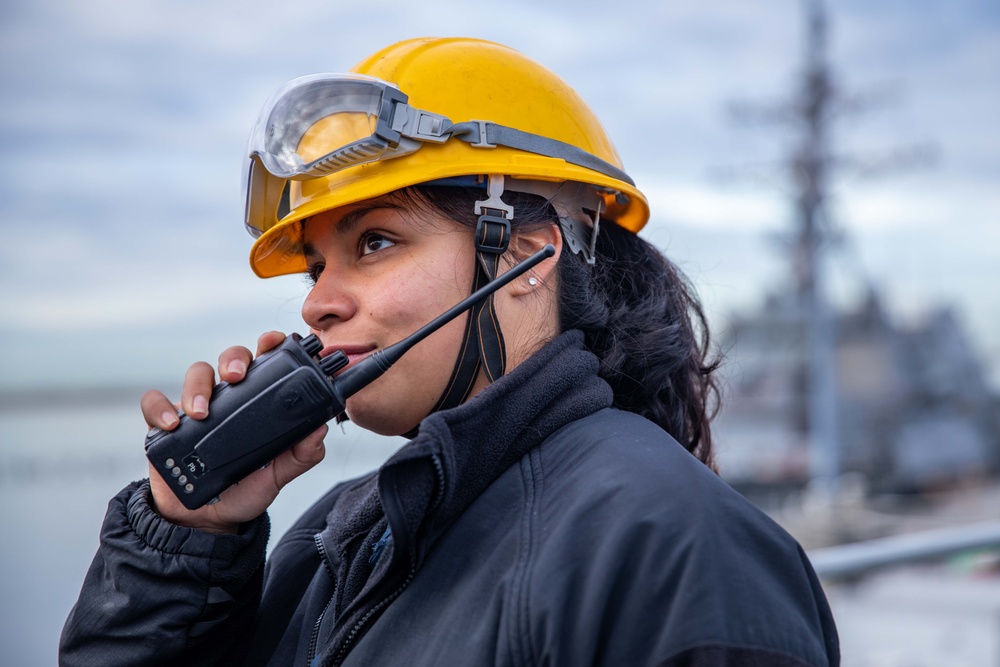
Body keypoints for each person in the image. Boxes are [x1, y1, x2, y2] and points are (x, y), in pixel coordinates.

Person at [60, 37, 839, 666]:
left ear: (527, 258)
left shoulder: (676, 549)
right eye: (317, 265)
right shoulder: (338, 536)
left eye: (374, 242)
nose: (315, 301)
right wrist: (188, 539)